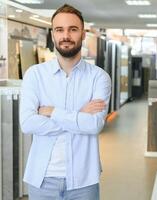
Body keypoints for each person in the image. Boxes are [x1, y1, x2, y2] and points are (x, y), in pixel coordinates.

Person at [19, 4, 111, 200]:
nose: (66, 35)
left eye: (73, 29)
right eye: (59, 30)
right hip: (42, 179)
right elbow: (28, 123)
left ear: (83, 34)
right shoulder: (35, 75)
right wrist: (79, 115)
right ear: (53, 34)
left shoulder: (99, 78)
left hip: (84, 181)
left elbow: (94, 125)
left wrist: (52, 111)